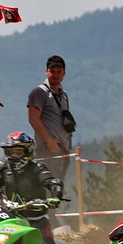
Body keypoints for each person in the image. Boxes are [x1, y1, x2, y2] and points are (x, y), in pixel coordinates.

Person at [0, 132, 63, 244]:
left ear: (28, 151)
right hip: (10, 218)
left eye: (17, 152)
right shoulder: (3, 168)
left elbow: (52, 182)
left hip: (36, 219)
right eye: (10, 152)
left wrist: (55, 196)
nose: (13, 156)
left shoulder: (37, 168)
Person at [27, 55, 73, 184]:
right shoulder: (39, 92)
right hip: (48, 150)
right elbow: (33, 118)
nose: (56, 75)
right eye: (53, 71)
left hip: (63, 149)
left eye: (59, 71)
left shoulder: (64, 95)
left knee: (58, 188)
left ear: (64, 73)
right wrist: (49, 140)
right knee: (48, 187)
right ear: (46, 71)